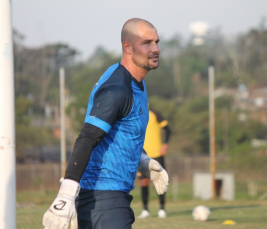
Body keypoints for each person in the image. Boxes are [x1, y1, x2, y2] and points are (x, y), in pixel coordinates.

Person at [42, 18, 169, 229]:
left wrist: (143, 160)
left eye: (156, 42)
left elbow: (120, 132)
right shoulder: (118, 89)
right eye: (146, 43)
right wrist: (66, 195)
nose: (155, 48)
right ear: (127, 47)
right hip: (101, 197)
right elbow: (87, 138)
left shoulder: (137, 83)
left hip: (111, 196)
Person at [138, 109, 171, 219]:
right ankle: (145, 210)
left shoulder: (154, 114)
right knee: (144, 181)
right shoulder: (133, 114)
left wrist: (165, 144)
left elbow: (167, 129)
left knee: (159, 180)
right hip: (141, 154)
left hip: (156, 153)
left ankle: (162, 209)